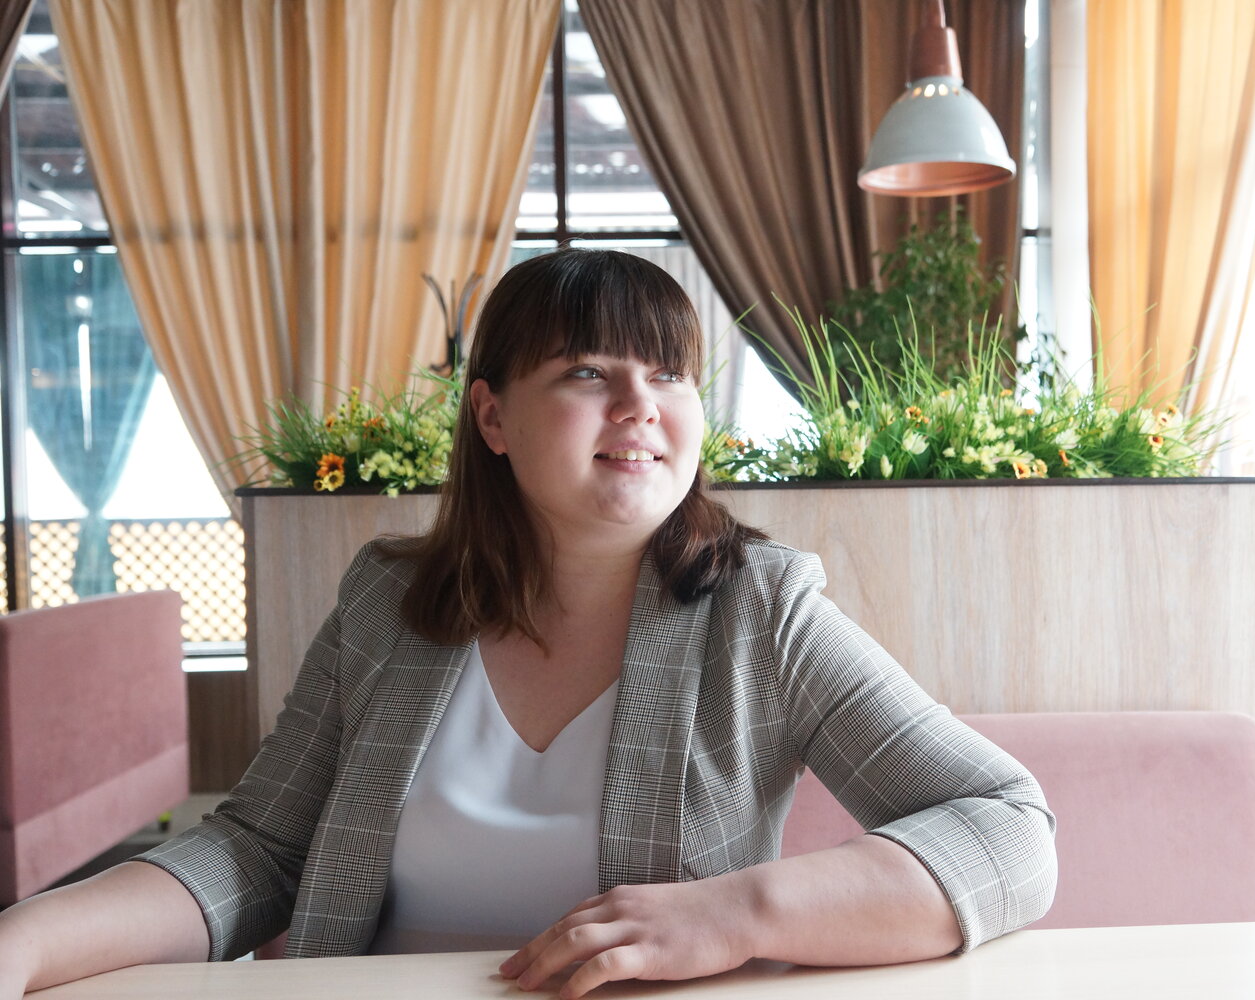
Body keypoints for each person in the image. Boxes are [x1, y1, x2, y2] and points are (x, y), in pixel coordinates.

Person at [0, 249, 1056, 999]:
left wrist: (738, 912)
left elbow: (1008, 827)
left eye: (669, 373)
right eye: (589, 372)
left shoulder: (760, 611)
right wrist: (25, 940)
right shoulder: (387, 602)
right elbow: (257, 851)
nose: (642, 404)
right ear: (493, 416)